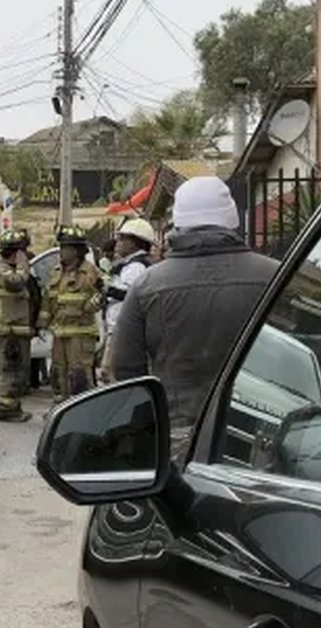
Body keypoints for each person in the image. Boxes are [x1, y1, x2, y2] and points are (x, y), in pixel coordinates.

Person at [109, 176, 280, 457]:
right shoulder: (275, 277)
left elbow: (127, 372)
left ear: (177, 222)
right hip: (265, 442)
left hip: (181, 442)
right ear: (232, 219)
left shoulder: (147, 286)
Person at [38, 224, 103, 403]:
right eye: (61, 246)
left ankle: (84, 412)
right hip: (60, 333)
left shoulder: (90, 271)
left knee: (80, 376)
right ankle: (62, 409)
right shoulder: (57, 271)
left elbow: (105, 290)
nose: (61, 251)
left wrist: (92, 305)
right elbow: (49, 297)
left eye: (65, 247)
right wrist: (42, 323)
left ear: (76, 250)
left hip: (80, 335)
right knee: (59, 374)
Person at [100, 218, 156, 384]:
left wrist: (105, 288)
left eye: (123, 238)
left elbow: (128, 295)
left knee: (110, 373)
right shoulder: (130, 264)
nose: (118, 242)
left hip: (122, 330)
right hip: (120, 329)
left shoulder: (136, 267)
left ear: (135, 243)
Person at [0, 228, 36, 423]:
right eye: (22, 251)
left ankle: (15, 407)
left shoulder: (14, 270)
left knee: (19, 371)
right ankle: (6, 409)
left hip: (19, 332)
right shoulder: (2, 271)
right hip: (8, 333)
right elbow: (15, 283)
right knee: (10, 370)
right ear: (16, 252)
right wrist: (24, 267)